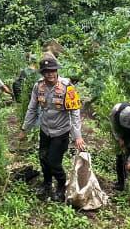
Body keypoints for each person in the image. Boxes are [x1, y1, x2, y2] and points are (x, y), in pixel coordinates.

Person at [22, 56, 85, 201]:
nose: (50, 74)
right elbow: (32, 108)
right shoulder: (38, 86)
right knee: (43, 158)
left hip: (61, 131)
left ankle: (61, 186)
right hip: (45, 129)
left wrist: (78, 136)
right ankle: (47, 183)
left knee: (54, 162)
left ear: (56, 71)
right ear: (42, 73)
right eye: (46, 71)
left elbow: (75, 113)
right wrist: (25, 128)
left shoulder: (67, 87)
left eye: (52, 71)